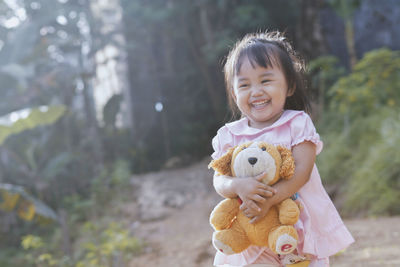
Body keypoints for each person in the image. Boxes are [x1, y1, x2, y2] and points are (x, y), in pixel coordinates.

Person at [211, 31, 354, 267]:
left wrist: (270, 200)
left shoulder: (297, 124)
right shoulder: (230, 135)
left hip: (296, 228)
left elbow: (302, 171)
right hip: (252, 230)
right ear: (235, 93)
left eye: (265, 81)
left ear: (289, 86)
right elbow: (219, 179)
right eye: (244, 85)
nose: (255, 91)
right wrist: (236, 185)